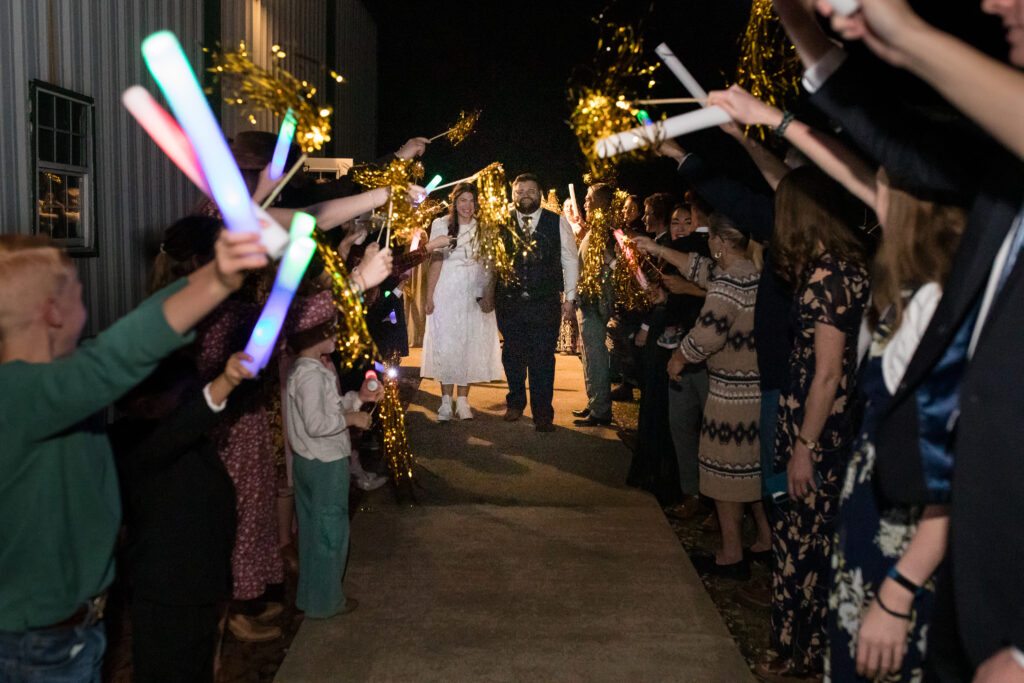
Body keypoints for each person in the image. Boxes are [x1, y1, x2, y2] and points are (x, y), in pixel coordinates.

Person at [774, 1, 1024, 678]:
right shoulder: (1000, 204)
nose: (997, 3)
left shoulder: (943, 287)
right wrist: (798, 41)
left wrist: (906, 584)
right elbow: (871, 161)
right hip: (922, 550)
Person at [0, 230, 267, 679]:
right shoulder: (22, 395)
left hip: (73, 629)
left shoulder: (56, 382)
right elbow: (122, 350)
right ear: (52, 312)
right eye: (78, 293)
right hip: (35, 646)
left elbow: (131, 334)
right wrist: (220, 276)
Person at [763, 167, 871, 679]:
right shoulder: (839, 266)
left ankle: (795, 652)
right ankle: (800, 648)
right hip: (809, 422)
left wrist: (804, 446)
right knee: (802, 535)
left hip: (817, 432)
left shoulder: (831, 277)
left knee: (802, 541)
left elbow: (828, 375)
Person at [639, 213, 769, 579]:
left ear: (721, 242)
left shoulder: (729, 282)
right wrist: (655, 247)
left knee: (724, 469)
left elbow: (709, 333)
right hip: (755, 385)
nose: (708, 246)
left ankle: (731, 555)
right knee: (751, 467)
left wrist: (679, 358)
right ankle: (764, 539)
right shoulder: (752, 273)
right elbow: (697, 269)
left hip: (732, 390)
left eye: (711, 238)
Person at [110, 351, 252, 683]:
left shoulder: (185, 443)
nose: (189, 404)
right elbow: (183, 425)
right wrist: (226, 381)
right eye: (184, 396)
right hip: (167, 598)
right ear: (145, 405)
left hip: (200, 590)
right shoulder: (136, 444)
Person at [285, 295, 384, 619]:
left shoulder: (307, 369)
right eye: (332, 331)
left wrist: (357, 399)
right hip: (325, 464)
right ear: (315, 337)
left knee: (313, 533)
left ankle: (310, 597)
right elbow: (318, 424)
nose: (338, 337)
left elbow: (327, 408)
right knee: (330, 534)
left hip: (307, 463)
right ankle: (327, 601)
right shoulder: (312, 375)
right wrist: (351, 419)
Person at [494, 173, 579, 432]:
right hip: (510, 303)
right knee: (513, 355)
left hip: (545, 303)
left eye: (530, 190)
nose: (525, 195)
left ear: (540, 193)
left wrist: (570, 298)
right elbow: (490, 263)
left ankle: (543, 413)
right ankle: (516, 402)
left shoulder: (558, 222)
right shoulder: (500, 222)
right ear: (512, 195)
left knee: (543, 359)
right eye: (519, 191)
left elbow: (570, 260)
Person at [421, 183, 503, 420]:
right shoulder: (441, 224)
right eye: (463, 201)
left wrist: (488, 293)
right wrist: (429, 296)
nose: (468, 206)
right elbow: (435, 261)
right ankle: (446, 401)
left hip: (473, 289)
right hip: (447, 288)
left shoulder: (484, 227)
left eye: (471, 201)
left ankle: (464, 400)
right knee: (446, 343)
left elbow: (490, 263)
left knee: (469, 343)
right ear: (455, 202)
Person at [659, 203, 710, 520]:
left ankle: (716, 502)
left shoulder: (705, 256)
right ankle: (692, 493)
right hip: (678, 353)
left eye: (686, 221)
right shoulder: (676, 259)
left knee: (710, 431)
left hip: (705, 355)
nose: (679, 228)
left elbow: (722, 293)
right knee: (680, 427)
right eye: (674, 221)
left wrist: (688, 289)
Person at [573, 182, 616, 427]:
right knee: (588, 356)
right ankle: (594, 402)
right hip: (586, 303)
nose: (585, 202)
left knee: (596, 357)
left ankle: (601, 410)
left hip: (596, 304)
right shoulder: (594, 230)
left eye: (590, 198)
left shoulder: (608, 232)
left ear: (603, 203)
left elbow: (611, 268)